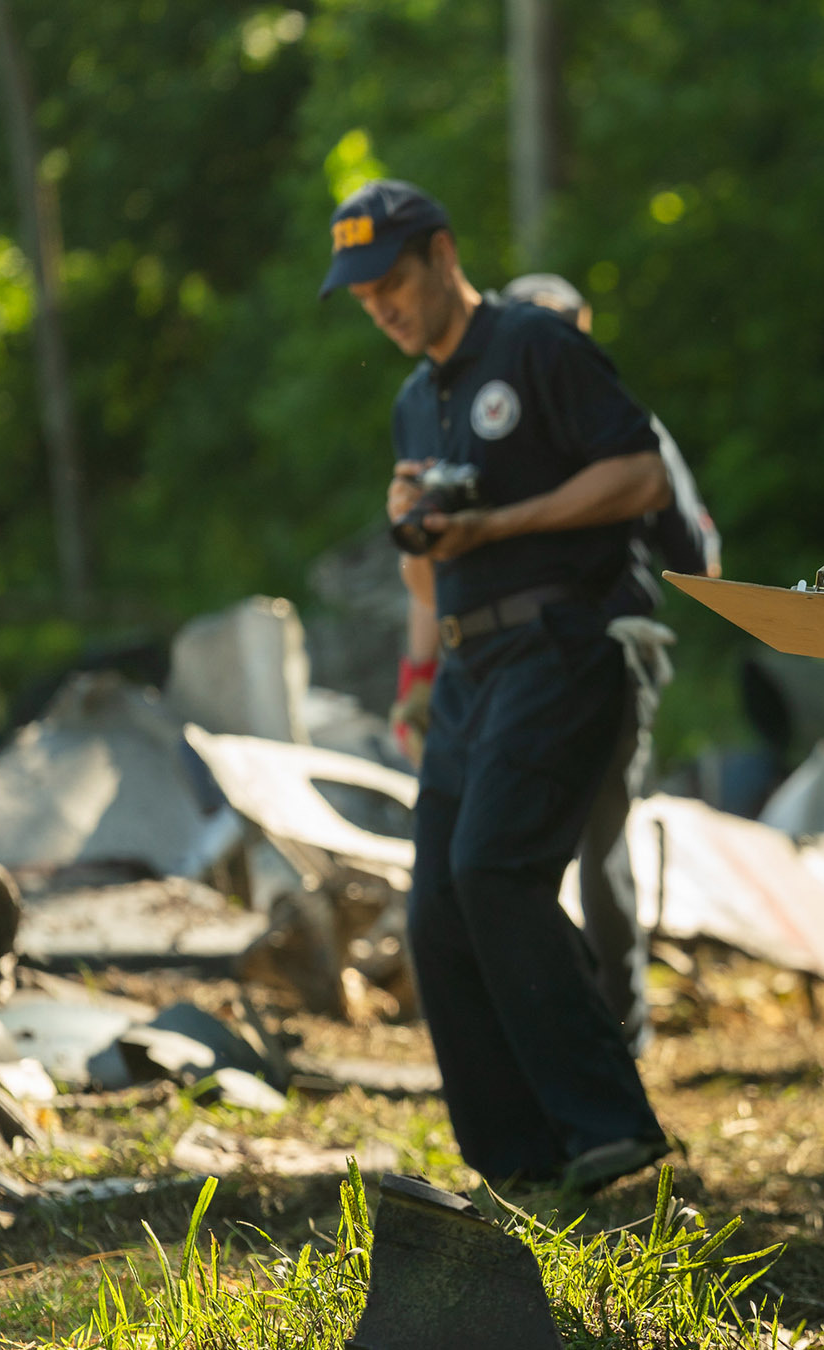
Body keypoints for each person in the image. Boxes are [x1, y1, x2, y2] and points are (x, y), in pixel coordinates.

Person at [321, 178, 670, 1194]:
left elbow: (641, 475)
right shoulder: (414, 399)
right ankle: (516, 1159)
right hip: (468, 666)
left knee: (495, 872)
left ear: (442, 255)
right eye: (363, 296)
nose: (381, 308)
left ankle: (608, 1123)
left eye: (391, 282)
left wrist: (500, 523)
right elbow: (431, 572)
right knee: (435, 911)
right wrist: (418, 542)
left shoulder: (535, 345)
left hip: (561, 644)